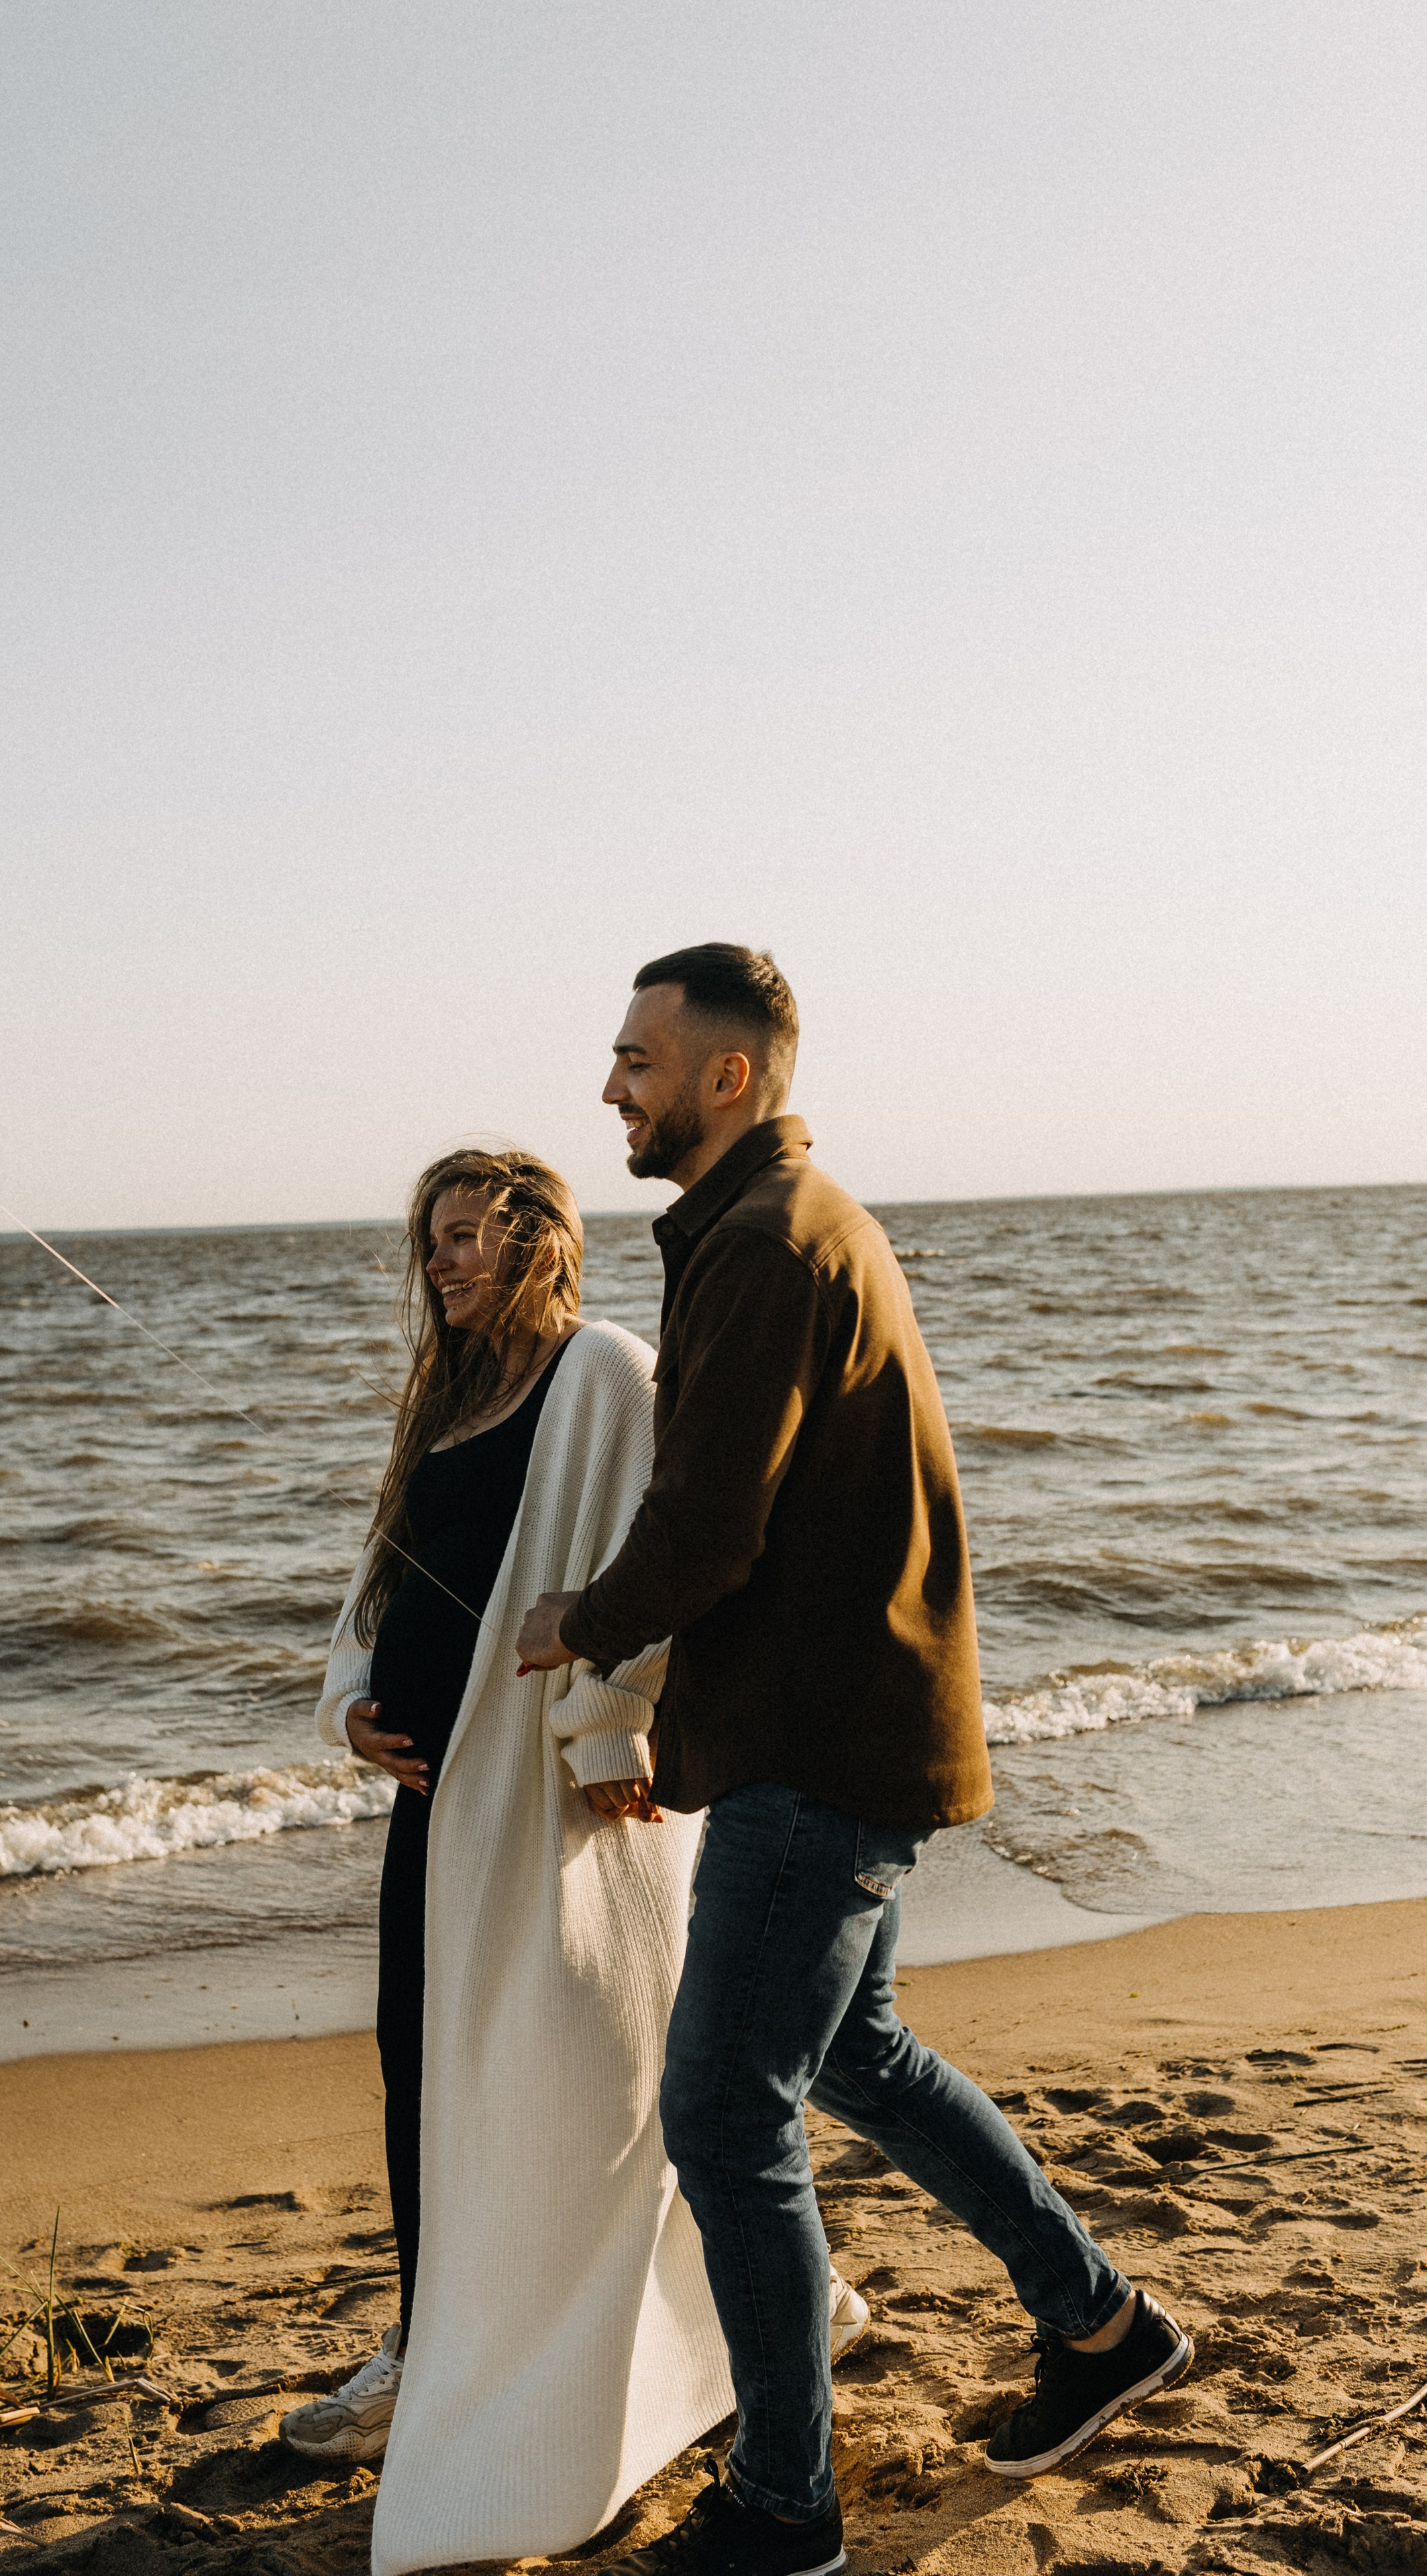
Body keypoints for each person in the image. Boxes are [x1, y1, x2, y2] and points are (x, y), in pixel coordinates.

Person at [518, 948, 1193, 2576]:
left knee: (721, 2112)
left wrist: (576, 1626)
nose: (611, 1086)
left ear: (724, 1078)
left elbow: (707, 1528)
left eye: (635, 1059)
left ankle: (783, 2509)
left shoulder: (762, 1243)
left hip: (819, 1744)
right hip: (856, 1723)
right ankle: (1101, 2329)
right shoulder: (789, 1221)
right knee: (858, 2055)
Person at [303, 1146, 815, 2576]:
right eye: (432, 1242)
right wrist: (349, 1703)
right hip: (435, 1804)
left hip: (554, 1809)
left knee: (580, 2078)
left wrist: (606, 1733)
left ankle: (663, 2348)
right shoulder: (447, 1400)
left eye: (467, 1237)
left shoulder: (601, 1375)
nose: (443, 1262)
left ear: (537, 1243)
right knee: (422, 2071)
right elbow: (376, 1587)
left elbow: (670, 1564)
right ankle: (430, 2337)